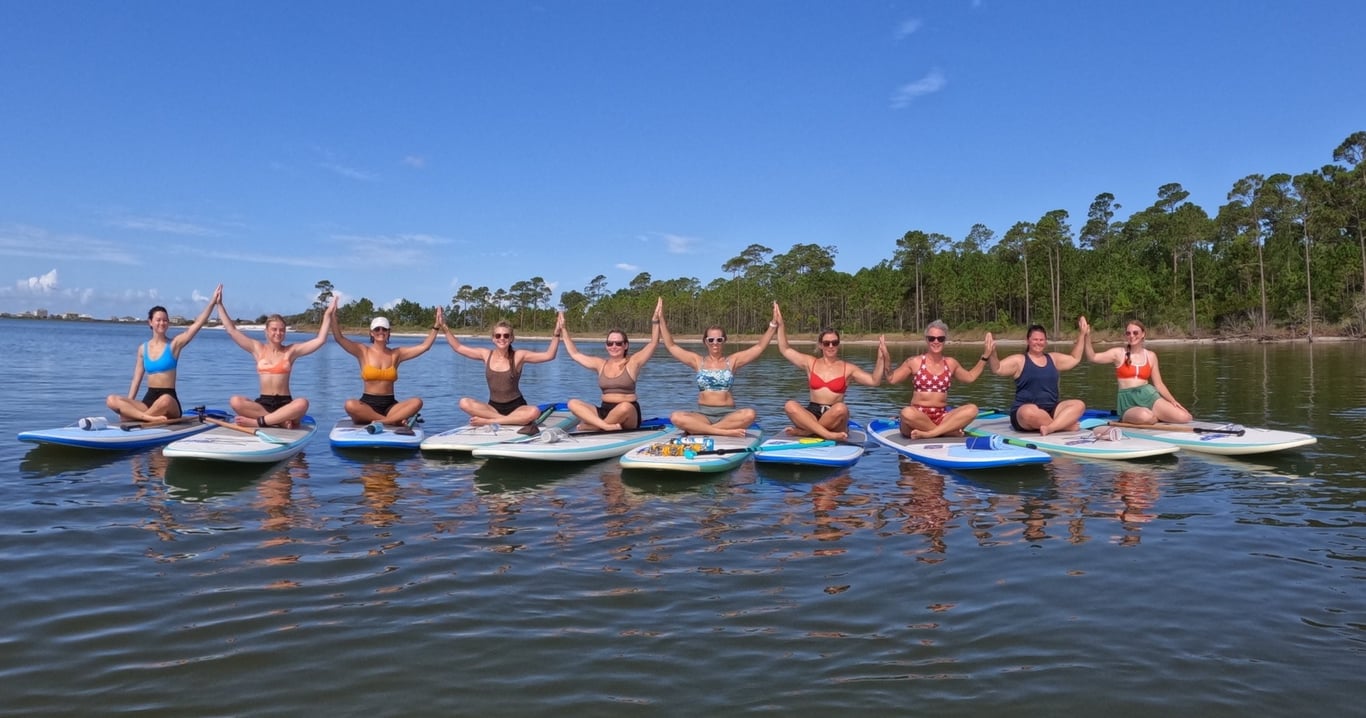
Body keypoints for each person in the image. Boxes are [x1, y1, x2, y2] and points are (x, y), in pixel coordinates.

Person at [657, 300, 781, 437]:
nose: (715, 343)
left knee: (749, 414)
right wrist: (661, 319)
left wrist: (773, 324)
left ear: (724, 341)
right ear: (705, 342)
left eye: (719, 340)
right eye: (711, 340)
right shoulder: (697, 361)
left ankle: (701, 430)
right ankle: (721, 431)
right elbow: (671, 346)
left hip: (728, 415)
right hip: (703, 415)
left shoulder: (732, 361)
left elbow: (759, 347)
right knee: (676, 417)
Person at [218, 293, 337, 429]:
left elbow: (320, 340)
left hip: (285, 403)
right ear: (266, 331)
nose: (278, 333)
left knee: (302, 403)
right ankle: (279, 421)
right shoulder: (258, 349)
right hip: (264, 403)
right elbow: (232, 330)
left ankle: (260, 422)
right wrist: (219, 305)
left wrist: (327, 315)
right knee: (235, 401)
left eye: (282, 330)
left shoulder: (291, 351)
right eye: (274, 329)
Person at [106, 284, 222, 422]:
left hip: (169, 401)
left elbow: (196, 325)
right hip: (148, 400)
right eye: (158, 320)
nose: (162, 323)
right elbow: (136, 380)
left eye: (165, 320)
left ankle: (139, 418)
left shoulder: (174, 345)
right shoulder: (143, 349)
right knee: (112, 399)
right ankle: (148, 417)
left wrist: (212, 303)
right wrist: (129, 404)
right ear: (150, 322)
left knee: (165, 400)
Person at [776, 310, 886, 441]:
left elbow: (874, 381)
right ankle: (825, 434)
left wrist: (881, 358)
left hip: (834, 416)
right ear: (820, 345)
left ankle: (808, 431)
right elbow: (785, 349)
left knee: (841, 408)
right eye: (826, 343)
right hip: (812, 413)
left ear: (838, 344)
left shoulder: (848, 368)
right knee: (790, 405)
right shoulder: (810, 362)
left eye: (834, 342)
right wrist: (781, 325)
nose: (831, 346)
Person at [439, 312, 565, 427]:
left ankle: (491, 421)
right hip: (493, 408)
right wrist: (444, 326)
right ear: (493, 338)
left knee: (534, 412)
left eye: (506, 335)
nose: (502, 338)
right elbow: (458, 347)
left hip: (516, 407)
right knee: (464, 403)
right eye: (498, 335)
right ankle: (506, 419)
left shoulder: (519, 356)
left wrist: (557, 332)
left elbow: (549, 355)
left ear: (511, 338)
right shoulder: (486, 355)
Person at [561, 297, 663, 431]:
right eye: (610, 343)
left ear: (625, 345)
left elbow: (653, 343)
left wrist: (655, 320)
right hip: (605, 410)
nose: (614, 346)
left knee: (625, 407)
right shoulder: (600, 364)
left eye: (618, 343)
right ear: (606, 346)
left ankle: (593, 426)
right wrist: (563, 329)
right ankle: (604, 426)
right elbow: (575, 354)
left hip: (628, 413)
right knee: (573, 403)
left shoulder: (633, 362)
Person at [881, 319, 996, 439]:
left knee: (972, 409)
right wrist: (886, 358)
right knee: (906, 412)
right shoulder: (914, 362)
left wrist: (985, 356)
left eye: (940, 338)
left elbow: (970, 377)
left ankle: (931, 433)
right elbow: (891, 378)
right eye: (932, 338)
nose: (936, 341)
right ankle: (946, 432)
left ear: (945, 340)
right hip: (918, 417)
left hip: (941, 416)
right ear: (926, 340)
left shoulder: (951, 363)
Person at [332, 307, 443, 426]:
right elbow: (339, 339)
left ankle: (386, 421)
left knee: (417, 402)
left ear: (389, 332)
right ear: (371, 332)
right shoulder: (363, 351)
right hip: (367, 405)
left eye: (384, 329)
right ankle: (393, 420)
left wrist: (436, 326)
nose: (381, 331)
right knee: (350, 405)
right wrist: (333, 317)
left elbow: (425, 347)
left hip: (390, 406)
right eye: (377, 329)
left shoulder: (396, 354)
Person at [1082, 317, 1192, 425]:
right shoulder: (1118, 353)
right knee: (1147, 417)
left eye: (1135, 333)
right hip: (1128, 401)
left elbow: (1159, 384)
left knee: (1185, 417)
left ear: (1143, 334)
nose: (1132, 336)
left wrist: (1173, 401)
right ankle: (1130, 416)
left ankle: (1153, 415)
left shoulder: (1151, 356)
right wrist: (1087, 335)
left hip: (1149, 396)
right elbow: (1092, 357)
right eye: (1128, 333)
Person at [988, 320, 1088, 435]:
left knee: (1079, 405)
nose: (1038, 343)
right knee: (1028, 412)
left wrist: (1082, 334)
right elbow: (997, 368)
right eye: (1035, 339)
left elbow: (1075, 358)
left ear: (1045, 342)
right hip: (1026, 412)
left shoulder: (1053, 359)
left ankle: (1051, 427)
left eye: (1041, 340)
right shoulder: (1019, 360)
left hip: (1051, 410)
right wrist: (992, 352)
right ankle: (1063, 426)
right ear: (1028, 341)